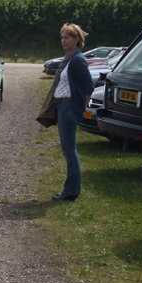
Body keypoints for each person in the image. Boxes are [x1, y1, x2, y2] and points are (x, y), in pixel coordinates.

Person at [52, 23, 95, 202]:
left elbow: (89, 86)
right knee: (68, 150)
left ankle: (70, 191)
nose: (63, 41)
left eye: (67, 38)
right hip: (63, 106)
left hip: (69, 107)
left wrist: (79, 107)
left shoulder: (77, 60)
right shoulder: (68, 58)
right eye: (62, 37)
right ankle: (71, 189)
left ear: (77, 40)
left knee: (69, 150)